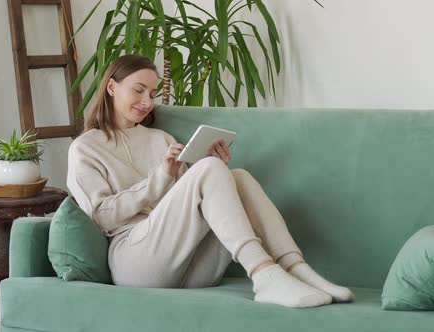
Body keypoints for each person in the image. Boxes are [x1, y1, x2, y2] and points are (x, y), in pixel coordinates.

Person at [67, 54, 353, 308]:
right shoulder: (85, 148)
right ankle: (264, 273)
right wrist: (163, 176)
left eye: (152, 93)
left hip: (192, 267)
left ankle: (296, 268)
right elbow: (102, 216)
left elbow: (186, 204)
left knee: (236, 177)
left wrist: (216, 175)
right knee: (209, 170)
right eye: (138, 90)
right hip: (136, 262)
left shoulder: (160, 139)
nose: (147, 102)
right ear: (112, 87)